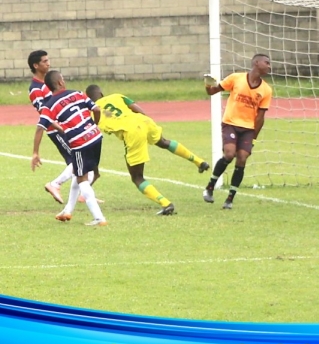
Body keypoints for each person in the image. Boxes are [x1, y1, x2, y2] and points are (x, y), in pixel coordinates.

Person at [85, 85, 210, 215]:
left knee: (137, 177)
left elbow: (95, 130)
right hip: (144, 121)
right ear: (101, 93)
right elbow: (138, 109)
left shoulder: (92, 112)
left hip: (132, 131)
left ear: (88, 99)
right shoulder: (116, 96)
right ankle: (199, 161)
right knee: (163, 142)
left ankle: (166, 204)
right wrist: (144, 125)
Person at [31, 71, 108, 226]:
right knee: (78, 173)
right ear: (60, 82)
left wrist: (35, 153)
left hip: (80, 142)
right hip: (96, 137)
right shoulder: (78, 93)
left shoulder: (49, 105)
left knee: (82, 179)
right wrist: (95, 125)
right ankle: (67, 211)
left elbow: (40, 128)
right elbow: (97, 110)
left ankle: (99, 218)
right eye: (63, 78)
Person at [202, 54, 272, 209]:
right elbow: (212, 91)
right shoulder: (236, 78)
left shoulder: (266, 90)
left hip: (248, 128)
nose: (269, 66)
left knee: (242, 158)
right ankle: (210, 187)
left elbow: (260, 117)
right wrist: (208, 85)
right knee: (229, 154)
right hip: (231, 123)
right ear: (256, 62)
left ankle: (230, 199)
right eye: (266, 62)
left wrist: (253, 139)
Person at [28, 50, 82, 203]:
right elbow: (44, 115)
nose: (48, 63)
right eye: (45, 61)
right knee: (76, 159)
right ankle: (55, 185)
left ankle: (83, 193)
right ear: (36, 65)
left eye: (48, 60)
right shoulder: (35, 89)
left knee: (78, 160)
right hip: (56, 130)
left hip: (66, 126)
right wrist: (61, 128)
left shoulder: (49, 83)